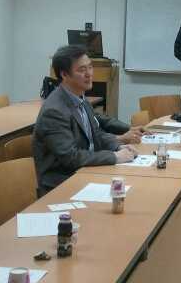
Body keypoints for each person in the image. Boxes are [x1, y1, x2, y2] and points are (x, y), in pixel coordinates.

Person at [33, 45, 140, 194]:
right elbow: (71, 157)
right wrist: (114, 157)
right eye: (82, 70)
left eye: (90, 67)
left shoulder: (80, 98)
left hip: (85, 172)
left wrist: (118, 147)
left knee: (132, 186)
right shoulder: (54, 111)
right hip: (61, 184)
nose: (89, 74)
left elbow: (97, 134)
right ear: (64, 74)